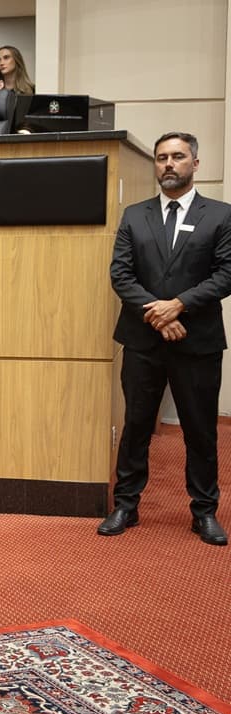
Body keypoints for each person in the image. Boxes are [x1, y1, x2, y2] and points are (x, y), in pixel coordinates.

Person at [101, 131, 231, 547]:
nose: (168, 164)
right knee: (136, 424)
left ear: (196, 163)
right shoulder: (134, 215)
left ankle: (204, 511)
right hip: (143, 340)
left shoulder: (221, 215)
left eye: (177, 157)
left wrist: (178, 305)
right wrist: (159, 315)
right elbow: (120, 274)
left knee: (199, 429)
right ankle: (125, 504)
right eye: (161, 158)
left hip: (198, 341)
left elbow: (226, 274)